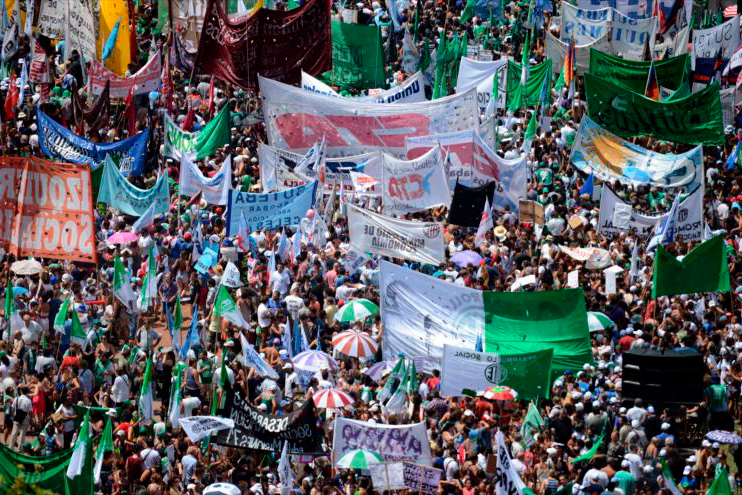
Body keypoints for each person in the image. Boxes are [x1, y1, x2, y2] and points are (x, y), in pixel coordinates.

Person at [8, 385, 31, 450]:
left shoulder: (16, 399)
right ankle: (19, 449)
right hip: (25, 418)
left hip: (17, 417)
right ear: (27, 392)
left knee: (14, 433)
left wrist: (12, 417)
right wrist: (31, 419)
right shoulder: (28, 400)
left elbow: (12, 409)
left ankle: (11, 447)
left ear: (21, 391)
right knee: (22, 434)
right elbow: (30, 412)